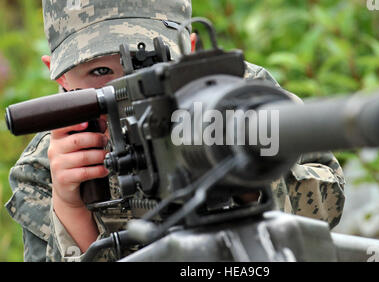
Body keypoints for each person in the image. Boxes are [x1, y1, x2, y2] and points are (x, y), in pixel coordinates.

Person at [5, 0, 345, 262]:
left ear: (190, 49)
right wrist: (70, 207)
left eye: (153, 62)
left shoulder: (243, 94)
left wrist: (248, 173)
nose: (128, 89)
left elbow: (328, 208)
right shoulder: (45, 169)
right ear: (59, 75)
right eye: (100, 71)